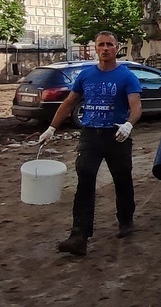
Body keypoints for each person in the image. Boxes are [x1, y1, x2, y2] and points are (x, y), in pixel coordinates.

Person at [39, 31, 142, 256]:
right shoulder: (86, 75)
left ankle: (125, 219)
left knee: (122, 179)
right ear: (96, 48)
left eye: (110, 45)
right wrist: (51, 128)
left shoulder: (126, 76)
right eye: (101, 45)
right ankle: (79, 235)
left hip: (117, 136)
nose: (105, 48)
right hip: (90, 136)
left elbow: (136, 107)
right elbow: (69, 102)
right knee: (84, 180)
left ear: (117, 48)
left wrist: (128, 124)